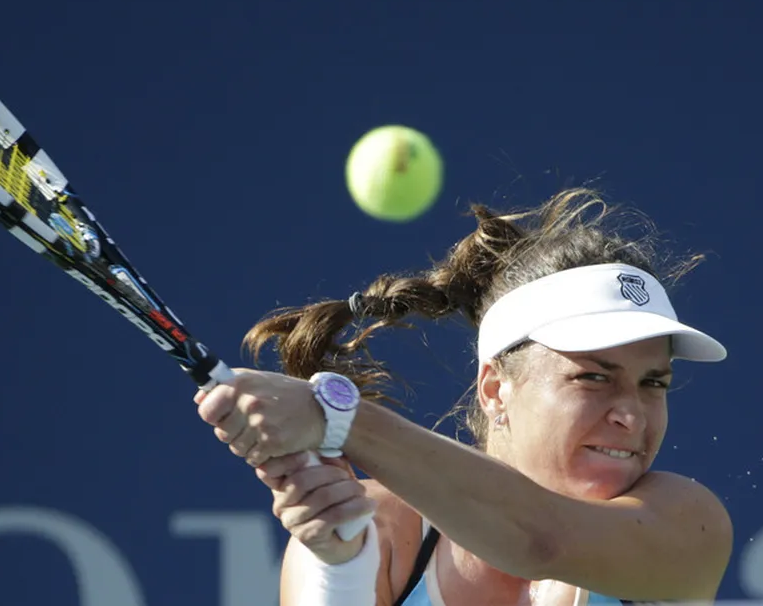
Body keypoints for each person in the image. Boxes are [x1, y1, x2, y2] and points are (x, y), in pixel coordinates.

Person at [195, 187, 733, 605]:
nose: (631, 416)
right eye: (594, 377)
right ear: (496, 389)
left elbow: (539, 542)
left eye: (653, 383)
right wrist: (340, 570)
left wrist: (336, 417)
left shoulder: (688, 522)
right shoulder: (379, 528)